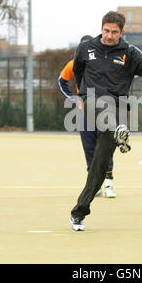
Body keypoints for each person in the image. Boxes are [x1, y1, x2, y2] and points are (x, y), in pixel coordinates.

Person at [69, 11, 142, 231]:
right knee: (100, 106)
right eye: (106, 31)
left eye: (114, 32)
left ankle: (79, 213)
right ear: (101, 28)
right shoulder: (85, 49)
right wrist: (82, 91)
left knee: (100, 164)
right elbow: (78, 70)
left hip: (118, 108)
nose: (109, 36)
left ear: (121, 32)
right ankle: (118, 131)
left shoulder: (129, 52)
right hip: (91, 100)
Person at [58, 35, 116, 198]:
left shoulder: (103, 62)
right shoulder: (73, 63)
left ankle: (109, 182)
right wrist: (74, 99)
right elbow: (61, 81)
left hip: (104, 108)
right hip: (84, 111)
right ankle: (94, 185)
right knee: (89, 146)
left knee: (106, 144)